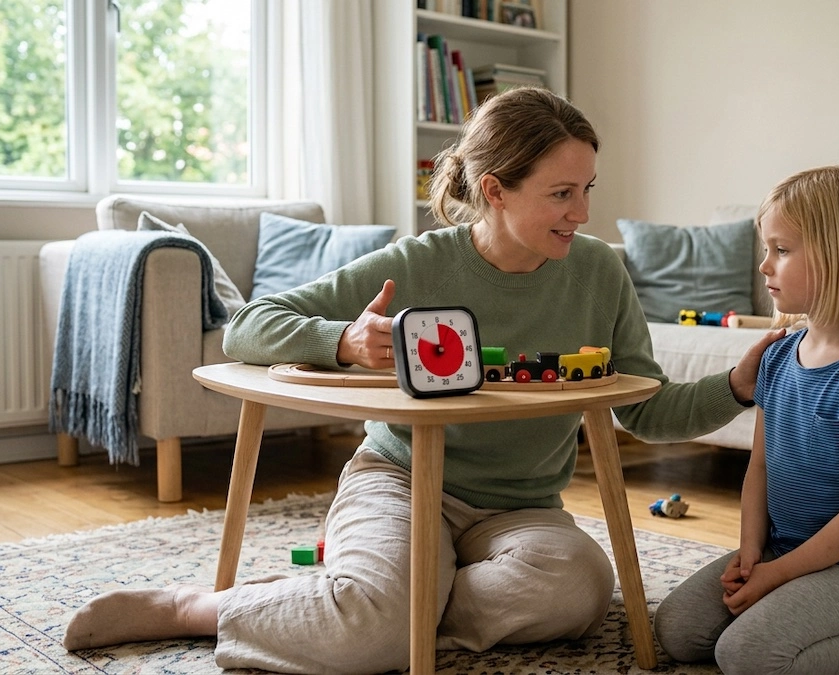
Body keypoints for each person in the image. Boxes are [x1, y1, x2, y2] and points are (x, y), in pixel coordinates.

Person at [61, 87, 783, 673]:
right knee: (373, 626)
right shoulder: (420, 263)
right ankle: (200, 607)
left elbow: (644, 411)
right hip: (402, 481)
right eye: (562, 193)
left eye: (587, 188)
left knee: (581, 588)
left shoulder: (597, 271)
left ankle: (379, 605)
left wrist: (738, 385)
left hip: (520, 507)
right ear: (496, 190)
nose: (583, 212)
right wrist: (342, 339)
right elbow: (253, 324)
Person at [653, 165, 839, 674]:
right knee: (678, 632)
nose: (764, 266)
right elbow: (761, 470)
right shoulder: (776, 357)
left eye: (782, 250)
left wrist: (777, 575)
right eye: (765, 249)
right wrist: (751, 555)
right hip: (780, 548)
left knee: (745, 657)